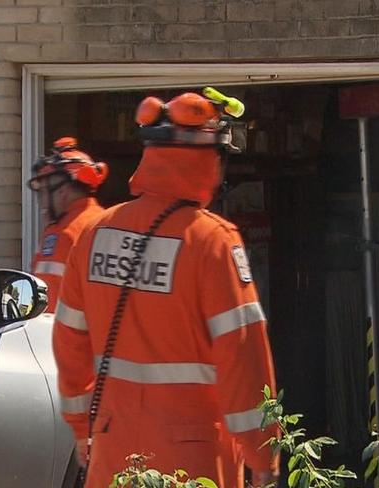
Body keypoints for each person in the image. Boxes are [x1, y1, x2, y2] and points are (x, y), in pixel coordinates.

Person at [53, 90, 279, 488]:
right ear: (208, 161)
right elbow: (242, 355)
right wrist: (263, 454)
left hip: (112, 447)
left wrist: (80, 426)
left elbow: (69, 340)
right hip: (191, 456)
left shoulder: (94, 233)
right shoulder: (212, 241)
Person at [28, 137, 108, 313]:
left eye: (43, 192)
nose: (41, 201)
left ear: (62, 191)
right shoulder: (104, 221)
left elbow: (48, 306)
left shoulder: (62, 233)